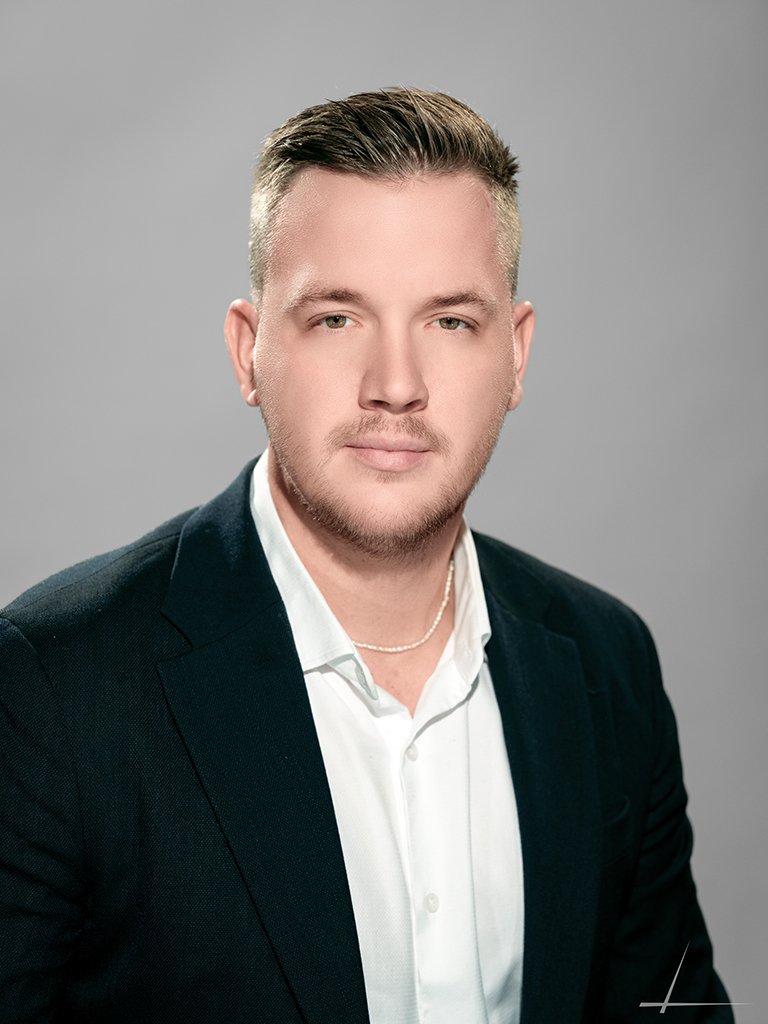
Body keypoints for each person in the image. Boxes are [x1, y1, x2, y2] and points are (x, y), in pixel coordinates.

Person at [0, 88, 732, 1024]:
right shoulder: (54, 687)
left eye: (450, 321)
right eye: (337, 318)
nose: (396, 385)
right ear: (248, 350)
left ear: (516, 356)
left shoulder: (607, 664)